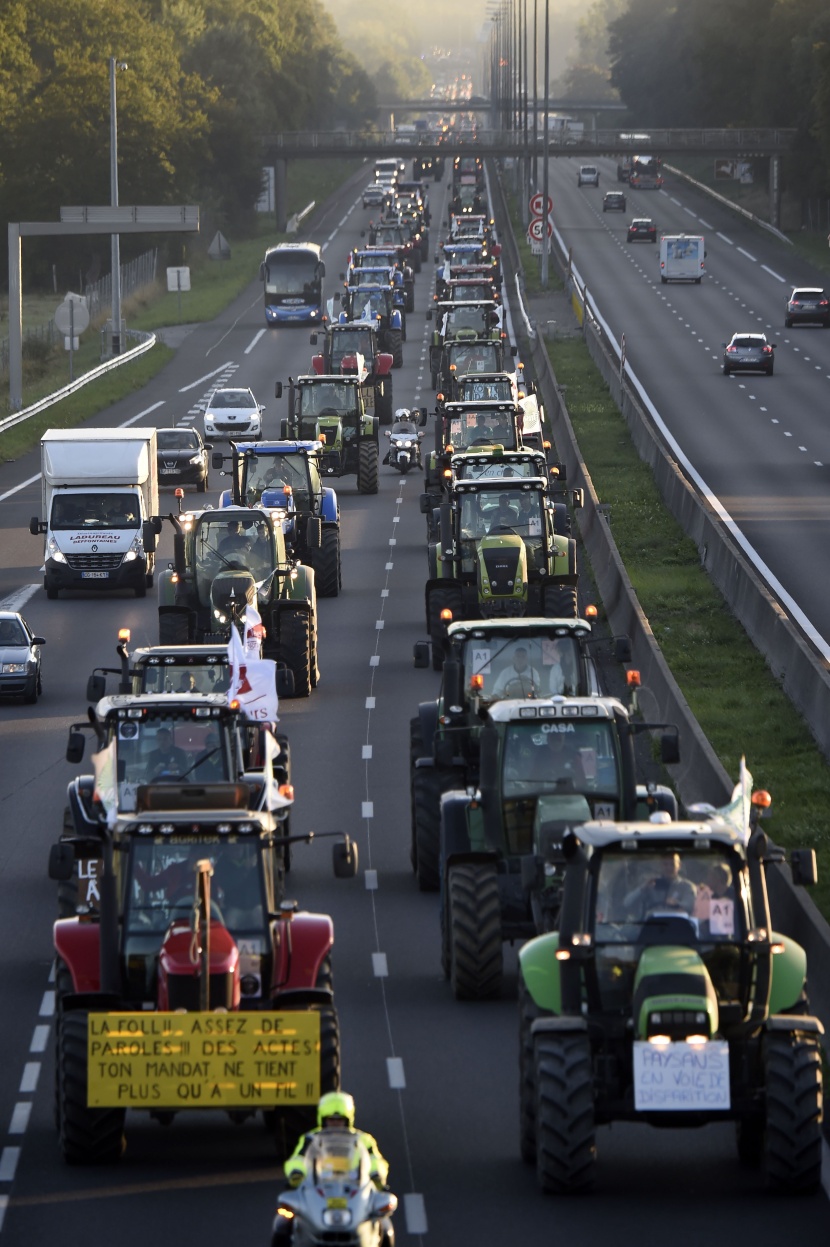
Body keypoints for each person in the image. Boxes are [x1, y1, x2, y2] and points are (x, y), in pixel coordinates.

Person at [272, 1093, 390, 1245]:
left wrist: (377, 1176)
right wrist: (296, 1173)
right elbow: (298, 1159)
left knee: (384, 1225)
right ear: (323, 1119)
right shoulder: (310, 1139)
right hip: (317, 1189)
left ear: (348, 1120)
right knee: (282, 1222)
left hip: (353, 1189)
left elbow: (375, 1160)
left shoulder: (363, 1140)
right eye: (331, 1120)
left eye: (339, 1121)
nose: (335, 1124)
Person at [624, 852, 697, 919]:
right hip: (652, 926)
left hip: (677, 926)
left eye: (672, 864)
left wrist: (676, 903)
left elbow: (689, 906)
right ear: (661, 865)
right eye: (665, 864)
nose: (669, 868)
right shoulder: (651, 884)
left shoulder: (687, 886)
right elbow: (627, 903)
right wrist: (642, 888)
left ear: (679, 865)